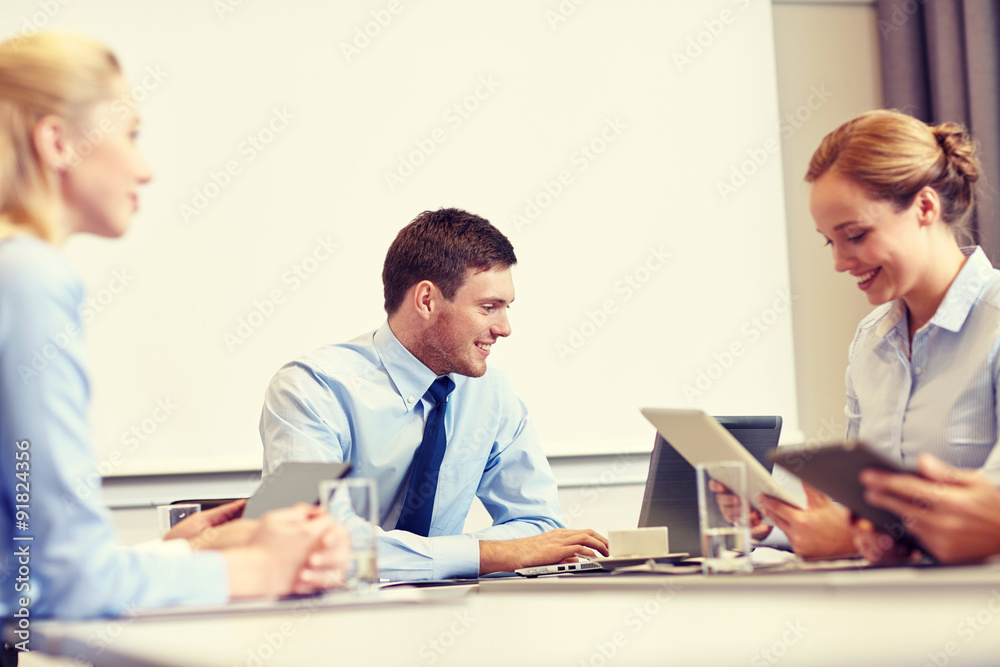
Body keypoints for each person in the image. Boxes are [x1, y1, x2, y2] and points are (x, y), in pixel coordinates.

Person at [0, 32, 349, 621]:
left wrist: (183, 551)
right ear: (58, 140)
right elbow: (65, 583)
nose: (146, 169)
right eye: (131, 134)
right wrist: (257, 569)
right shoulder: (29, 278)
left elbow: (31, 567)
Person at [260, 207, 609, 580]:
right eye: (488, 308)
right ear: (426, 301)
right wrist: (490, 554)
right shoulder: (311, 388)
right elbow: (310, 544)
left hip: (449, 615)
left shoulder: (489, 389)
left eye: (506, 309)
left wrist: (485, 555)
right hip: (330, 618)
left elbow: (539, 523)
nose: (504, 329)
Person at [756, 109, 1000, 558]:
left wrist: (851, 539)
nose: (840, 261)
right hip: (887, 607)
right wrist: (770, 522)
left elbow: (986, 518)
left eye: (855, 234)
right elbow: (854, 508)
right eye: (831, 241)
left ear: (925, 207)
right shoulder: (872, 341)